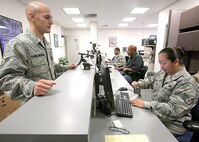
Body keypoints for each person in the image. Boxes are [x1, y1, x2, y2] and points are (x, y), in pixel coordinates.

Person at [0, 2, 76, 105]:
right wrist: (32, 86)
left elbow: (51, 67)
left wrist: (67, 67)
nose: (51, 22)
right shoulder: (18, 44)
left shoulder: (46, 44)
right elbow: (6, 79)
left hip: (50, 99)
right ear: (32, 17)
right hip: (33, 104)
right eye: (47, 17)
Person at [131, 47, 199, 137]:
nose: (161, 66)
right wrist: (139, 83)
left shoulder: (187, 83)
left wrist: (146, 104)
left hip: (171, 125)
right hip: (156, 115)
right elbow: (151, 80)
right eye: (160, 63)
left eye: (164, 63)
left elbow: (173, 110)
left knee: (137, 132)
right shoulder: (164, 72)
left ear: (176, 62)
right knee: (133, 123)